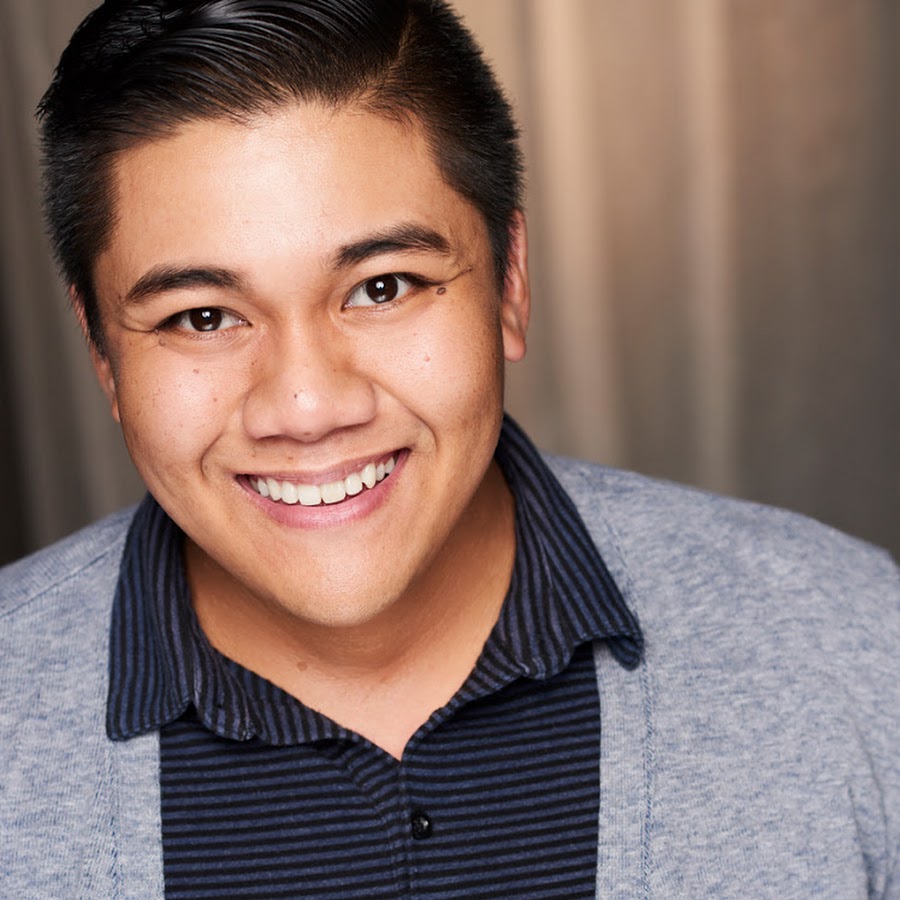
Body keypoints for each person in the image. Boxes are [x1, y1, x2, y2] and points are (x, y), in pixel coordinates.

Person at [1, 1, 897, 896]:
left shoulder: (852, 642)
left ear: (509, 282)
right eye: (202, 317)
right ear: (103, 355)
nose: (307, 408)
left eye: (382, 287)